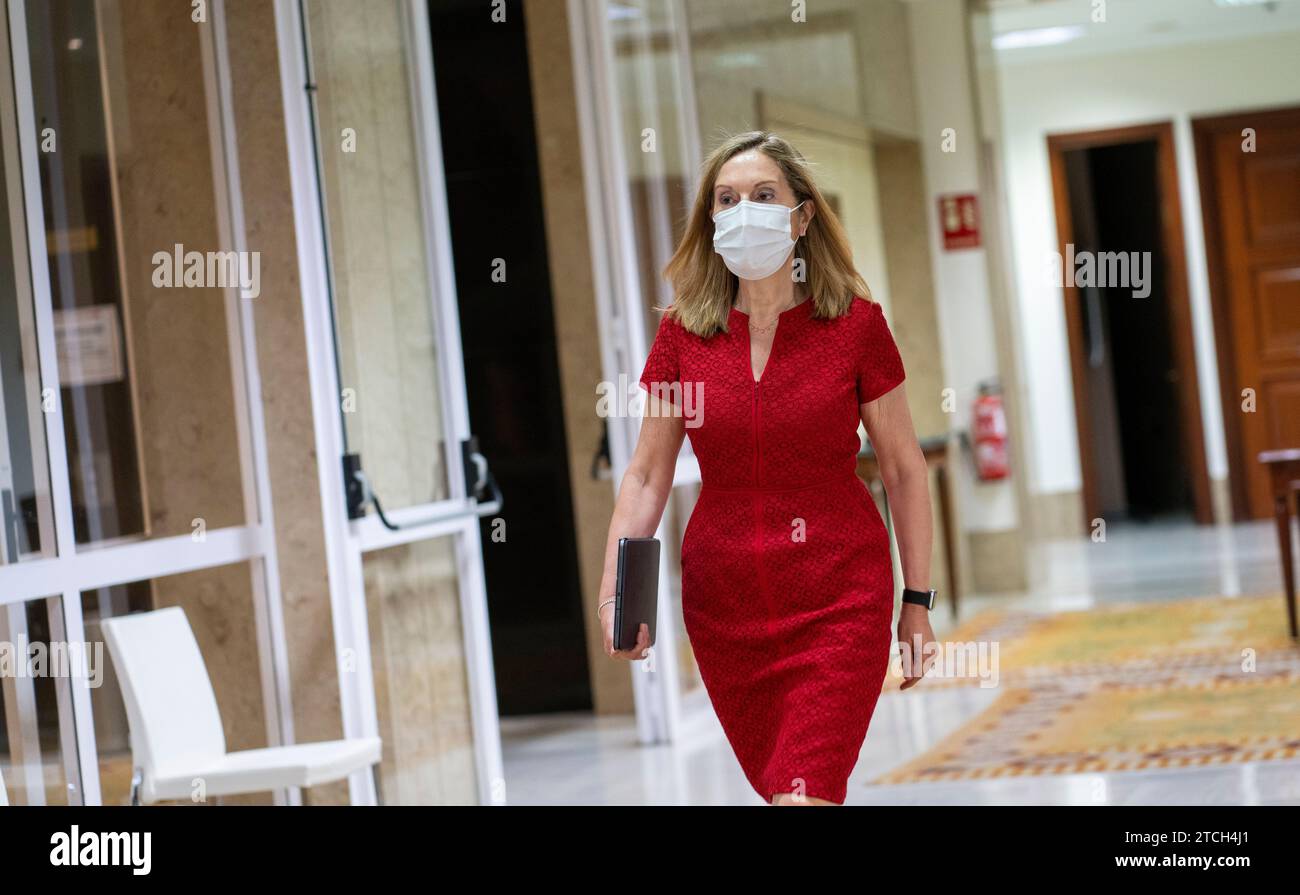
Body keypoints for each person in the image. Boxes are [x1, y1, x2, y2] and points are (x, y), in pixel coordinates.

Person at [596, 131, 936, 806]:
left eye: (762, 195)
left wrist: (917, 603)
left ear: (802, 216)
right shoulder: (683, 336)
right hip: (727, 609)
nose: (743, 210)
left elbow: (901, 466)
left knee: (802, 792)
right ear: (711, 220)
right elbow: (645, 475)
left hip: (840, 595)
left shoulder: (855, 326)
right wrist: (617, 588)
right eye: (726, 199)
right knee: (784, 788)